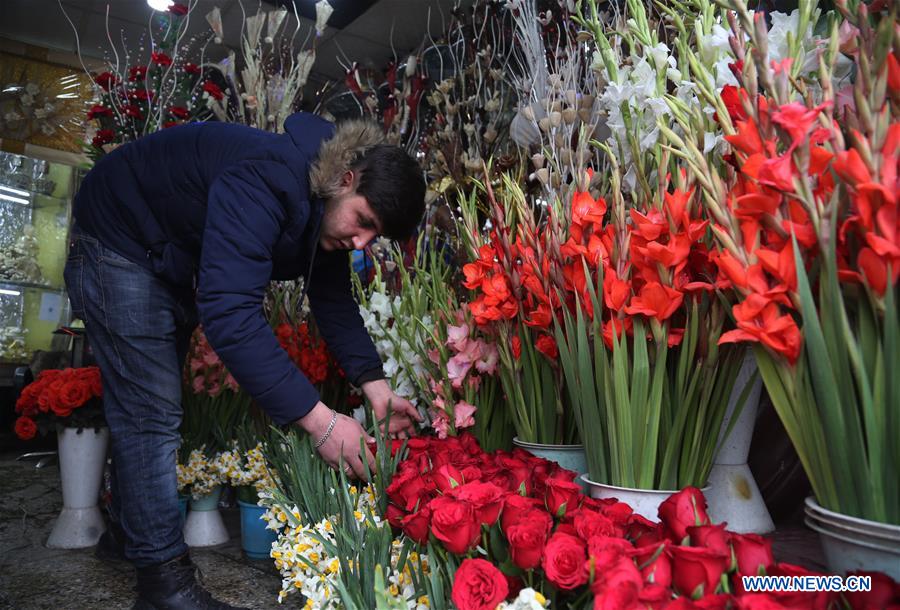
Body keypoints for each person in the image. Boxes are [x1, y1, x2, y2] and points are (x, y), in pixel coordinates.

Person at [64, 112, 425, 610]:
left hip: (163, 257)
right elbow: (231, 315)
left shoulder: (324, 203)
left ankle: (131, 535)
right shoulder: (271, 178)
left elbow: (335, 303)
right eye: (363, 222)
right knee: (150, 413)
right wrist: (322, 425)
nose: (361, 243)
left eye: (374, 236)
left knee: (148, 408)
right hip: (117, 240)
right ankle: (164, 587)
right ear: (346, 179)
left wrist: (378, 391)